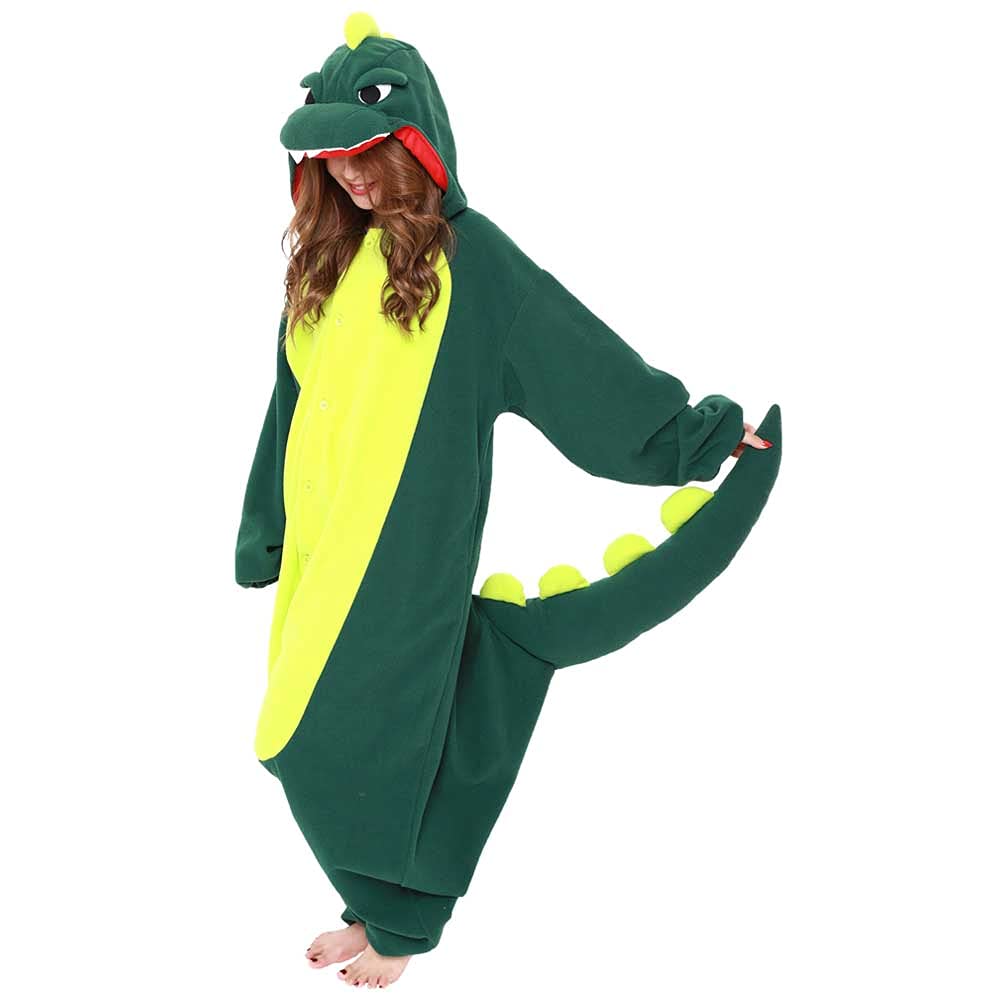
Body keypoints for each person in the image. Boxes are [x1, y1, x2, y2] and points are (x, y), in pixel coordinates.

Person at [234, 12, 779, 990]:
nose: (351, 176)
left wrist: (693, 438)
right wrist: (265, 532)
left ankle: (404, 924)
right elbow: (289, 407)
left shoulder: (471, 261)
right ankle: (369, 903)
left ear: (415, 145)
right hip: (324, 550)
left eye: (367, 153)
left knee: (350, 739)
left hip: (404, 554)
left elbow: (577, 363)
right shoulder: (326, 265)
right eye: (332, 158)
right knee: (299, 739)